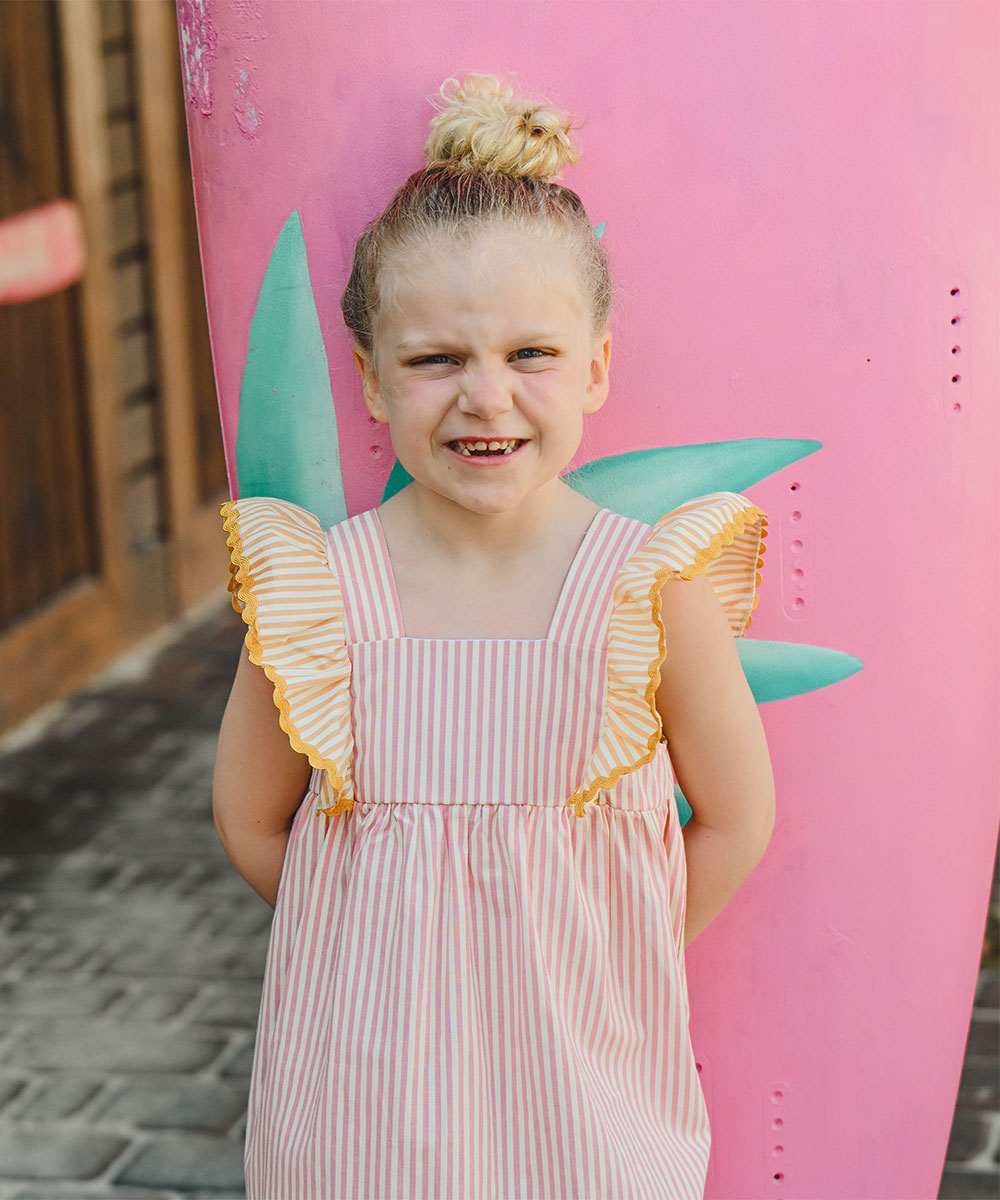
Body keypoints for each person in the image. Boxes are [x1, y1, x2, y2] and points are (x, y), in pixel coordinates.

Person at [213, 72, 775, 1200]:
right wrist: (378, 933)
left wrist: (604, 957)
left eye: (530, 355)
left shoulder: (646, 589)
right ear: (370, 381)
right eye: (435, 361)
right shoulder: (322, 593)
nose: (485, 397)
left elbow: (736, 818)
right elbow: (249, 820)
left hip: (585, 1112)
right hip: (357, 1118)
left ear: (598, 368)